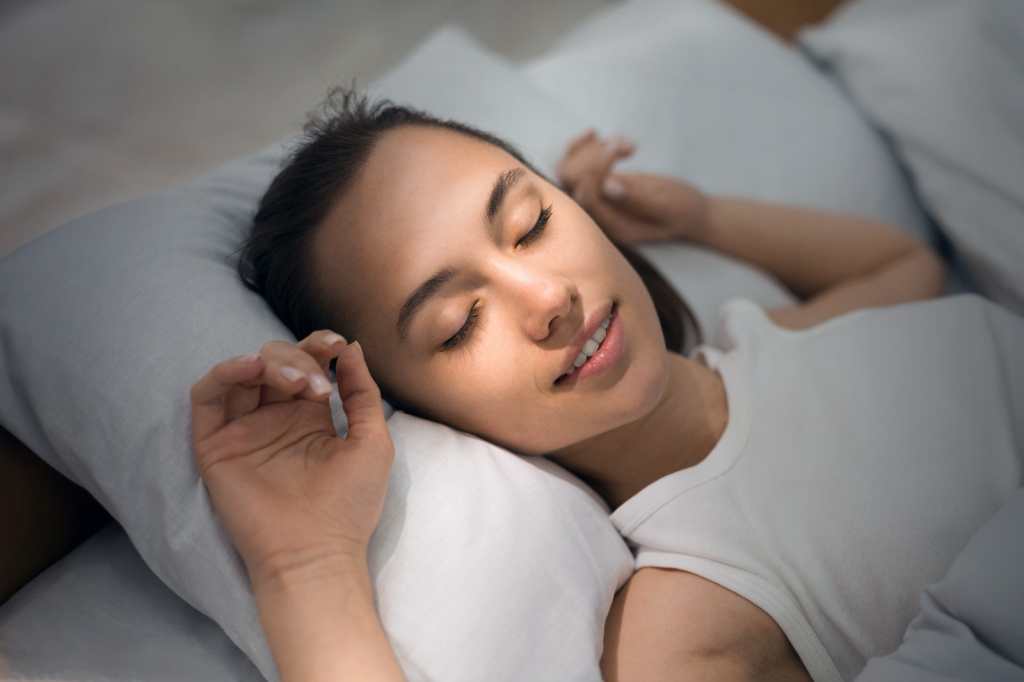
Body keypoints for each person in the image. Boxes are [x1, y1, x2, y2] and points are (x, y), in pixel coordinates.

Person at [189, 87, 1022, 681]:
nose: (548, 299)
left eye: (532, 224)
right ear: (421, 414)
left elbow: (907, 265)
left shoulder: (771, 337)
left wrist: (701, 221)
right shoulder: (691, 618)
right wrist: (304, 566)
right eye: (458, 325)